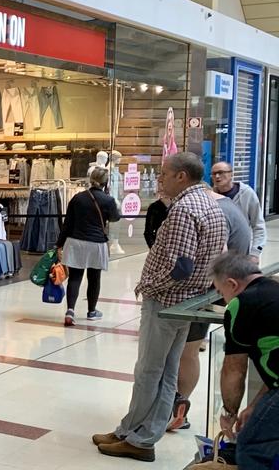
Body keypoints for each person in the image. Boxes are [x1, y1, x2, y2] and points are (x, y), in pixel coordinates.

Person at [92, 152, 226, 463]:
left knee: (149, 371)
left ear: (182, 176)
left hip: (167, 303)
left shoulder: (185, 209)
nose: (160, 178)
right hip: (186, 303)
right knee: (166, 371)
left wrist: (148, 286)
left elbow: (179, 266)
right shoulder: (211, 203)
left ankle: (139, 439)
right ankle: (132, 430)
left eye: (165, 173)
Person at [167, 185, 256, 431]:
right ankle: (177, 407)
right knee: (189, 351)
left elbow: (218, 253)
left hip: (212, 291)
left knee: (188, 352)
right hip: (225, 287)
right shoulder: (226, 207)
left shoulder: (211, 210)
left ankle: (178, 410)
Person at [186, 253, 279, 469]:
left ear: (231, 284)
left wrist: (229, 413)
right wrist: (256, 405)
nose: (223, 299)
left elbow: (234, 369)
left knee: (251, 446)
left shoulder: (241, 304)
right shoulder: (273, 290)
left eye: (220, 293)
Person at [56, 166, 120, 326]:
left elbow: (67, 223)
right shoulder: (108, 200)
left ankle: (70, 311)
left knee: (75, 277)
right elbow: (115, 218)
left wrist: (59, 244)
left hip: (75, 241)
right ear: (106, 183)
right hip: (96, 243)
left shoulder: (78, 198)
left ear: (90, 180)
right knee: (94, 278)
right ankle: (92, 311)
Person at [210, 162, 267, 258]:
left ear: (231, 174)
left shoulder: (247, 194)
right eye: (214, 174)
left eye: (221, 172)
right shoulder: (211, 195)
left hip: (240, 250)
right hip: (218, 252)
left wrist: (255, 253)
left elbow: (258, 225)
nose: (217, 176)